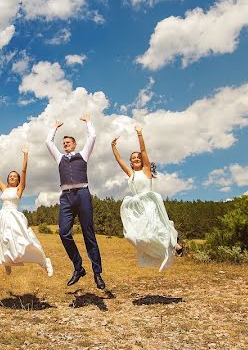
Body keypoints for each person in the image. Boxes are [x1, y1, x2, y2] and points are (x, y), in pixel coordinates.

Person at [46, 115, 105, 289]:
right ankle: (78, 267)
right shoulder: (59, 158)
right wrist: (54, 128)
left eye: (68, 143)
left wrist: (88, 122)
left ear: (75, 144)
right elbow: (48, 142)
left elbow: (92, 137)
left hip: (83, 194)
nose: (65, 145)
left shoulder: (83, 155)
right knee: (64, 232)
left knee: (88, 234)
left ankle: (97, 273)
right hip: (66, 197)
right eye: (63, 143)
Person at [111, 125, 181, 271]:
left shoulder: (146, 170)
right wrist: (113, 146)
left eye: (138, 158)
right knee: (134, 235)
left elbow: (143, 151)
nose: (136, 159)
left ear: (142, 161)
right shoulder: (131, 174)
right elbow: (119, 160)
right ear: (131, 162)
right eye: (133, 158)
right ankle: (164, 248)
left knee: (157, 228)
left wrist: (139, 134)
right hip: (136, 208)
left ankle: (174, 244)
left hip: (149, 204)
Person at [0, 145, 53, 277]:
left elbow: (23, 171)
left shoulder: (19, 189)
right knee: (1, 240)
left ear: (18, 180)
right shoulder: (4, 189)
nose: (12, 177)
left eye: (14, 177)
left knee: (24, 242)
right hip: (2, 217)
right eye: (10, 176)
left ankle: (45, 262)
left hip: (14, 217)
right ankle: (7, 263)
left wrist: (25, 155)